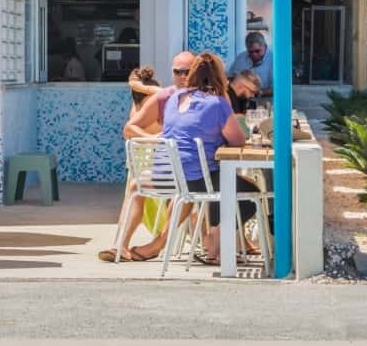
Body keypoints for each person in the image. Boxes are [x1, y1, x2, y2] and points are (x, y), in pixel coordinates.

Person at [122, 53, 259, 265]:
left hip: (165, 174)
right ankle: (218, 248)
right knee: (249, 194)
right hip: (191, 180)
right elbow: (238, 140)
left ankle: (212, 246)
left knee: (222, 184)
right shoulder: (218, 103)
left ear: (192, 74)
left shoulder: (173, 99)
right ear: (221, 77)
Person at [99, 66, 162, 262]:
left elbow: (129, 130)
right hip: (156, 163)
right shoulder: (157, 106)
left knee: (131, 197)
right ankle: (122, 245)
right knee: (135, 196)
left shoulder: (135, 108)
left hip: (139, 164)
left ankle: (119, 244)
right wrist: (155, 139)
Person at [124, 51, 196, 136]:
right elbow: (129, 129)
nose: (183, 76)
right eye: (177, 71)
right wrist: (153, 138)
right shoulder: (162, 98)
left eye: (187, 72)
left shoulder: (208, 98)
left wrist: (142, 88)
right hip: (158, 148)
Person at [228, 32, 273, 97]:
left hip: (266, 100)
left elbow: (279, 88)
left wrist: (256, 92)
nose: (254, 54)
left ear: (265, 46)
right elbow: (230, 78)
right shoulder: (241, 58)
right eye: (250, 52)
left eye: (257, 51)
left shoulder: (274, 61)